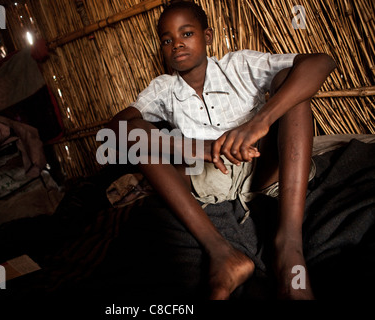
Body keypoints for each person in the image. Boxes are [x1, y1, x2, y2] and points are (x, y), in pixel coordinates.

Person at [105, 0, 336, 299]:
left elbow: (322, 62)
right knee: (139, 140)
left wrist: (259, 123)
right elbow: (115, 129)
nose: (177, 44)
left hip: (263, 166)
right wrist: (198, 147)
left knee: (289, 84)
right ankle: (222, 253)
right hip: (210, 177)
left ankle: (289, 247)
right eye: (167, 40)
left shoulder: (238, 65)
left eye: (186, 34)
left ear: (208, 35)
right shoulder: (163, 89)